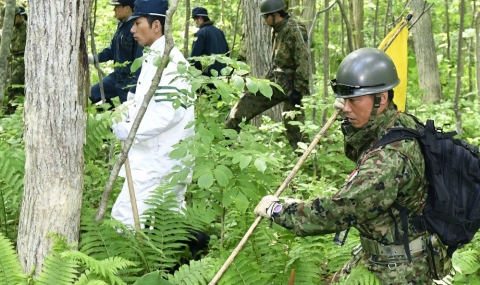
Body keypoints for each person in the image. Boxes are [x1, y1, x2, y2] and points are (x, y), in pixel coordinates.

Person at [254, 48, 452, 284]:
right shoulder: (397, 122)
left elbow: (341, 210)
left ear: (382, 98)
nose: (345, 108)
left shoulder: (389, 159)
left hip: (401, 269)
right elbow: (361, 153)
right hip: (387, 251)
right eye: (344, 100)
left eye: (354, 100)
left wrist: (278, 211)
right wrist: (349, 117)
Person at [110, 0, 195, 230]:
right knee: (167, 228)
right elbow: (148, 100)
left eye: (137, 23)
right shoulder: (153, 57)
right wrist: (126, 110)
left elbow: (168, 113)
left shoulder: (170, 62)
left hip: (159, 161)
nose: (133, 30)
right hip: (157, 158)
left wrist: (129, 130)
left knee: (125, 220)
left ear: (156, 25)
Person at [224, 0, 309, 150]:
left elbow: (303, 59)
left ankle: (305, 161)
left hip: (290, 85)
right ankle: (223, 147)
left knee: (294, 126)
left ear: (275, 15)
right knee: (242, 108)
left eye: (265, 17)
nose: (264, 21)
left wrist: (298, 89)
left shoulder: (294, 29)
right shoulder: (276, 28)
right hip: (276, 80)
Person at [88, 0, 143, 110]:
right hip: (116, 77)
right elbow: (113, 50)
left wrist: (134, 87)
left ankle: (118, 123)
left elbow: (139, 60)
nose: (114, 10)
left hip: (129, 81)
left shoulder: (136, 28)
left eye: (117, 7)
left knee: (128, 114)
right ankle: (111, 122)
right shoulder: (121, 25)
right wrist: (95, 58)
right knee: (94, 93)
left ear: (127, 8)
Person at [189, 7, 229, 77]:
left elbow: (194, 56)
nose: (195, 22)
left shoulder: (201, 33)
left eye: (195, 19)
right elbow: (227, 53)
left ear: (200, 19)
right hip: (221, 75)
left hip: (206, 77)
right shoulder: (219, 32)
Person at [4, 6, 27, 114]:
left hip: (23, 60)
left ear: (17, 16)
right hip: (14, 60)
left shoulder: (27, 28)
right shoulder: (13, 30)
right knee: (14, 86)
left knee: (14, 85)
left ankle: (10, 112)